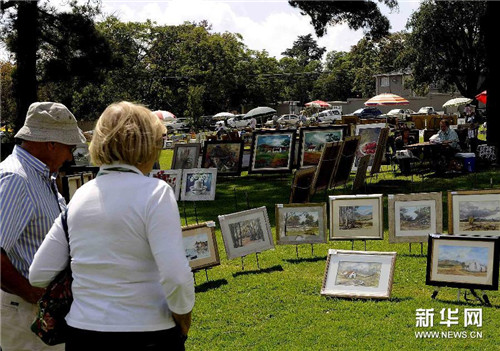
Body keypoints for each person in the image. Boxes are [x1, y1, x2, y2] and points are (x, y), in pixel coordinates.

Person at [29, 101, 195, 351]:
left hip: (83, 333)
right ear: (146, 144)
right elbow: (175, 276)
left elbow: (38, 273)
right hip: (147, 331)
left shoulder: (81, 196)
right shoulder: (155, 193)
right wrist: (183, 318)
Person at [1, 102, 85, 351]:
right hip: (24, 312)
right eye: (69, 148)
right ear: (51, 143)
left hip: (37, 310)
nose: (70, 156)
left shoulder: (38, 176)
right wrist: (33, 296)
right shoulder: (16, 178)